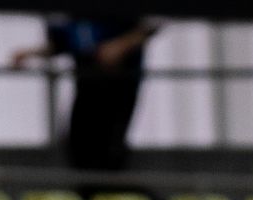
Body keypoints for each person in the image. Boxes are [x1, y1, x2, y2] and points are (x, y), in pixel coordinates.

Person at [10, 15, 161, 175]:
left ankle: (113, 192)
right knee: (78, 148)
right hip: (86, 83)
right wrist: (31, 54)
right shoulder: (71, 19)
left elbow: (154, 22)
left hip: (119, 83)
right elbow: (64, 43)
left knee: (109, 151)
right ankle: (90, 193)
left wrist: (121, 45)